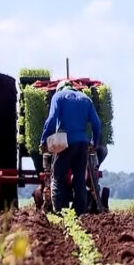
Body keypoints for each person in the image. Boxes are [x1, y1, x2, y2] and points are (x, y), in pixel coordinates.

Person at [39, 80, 102, 215]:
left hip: (65, 143)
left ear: (59, 89)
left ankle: (59, 213)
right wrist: (94, 143)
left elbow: (51, 120)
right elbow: (97, 124)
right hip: (83, 144)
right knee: (79, 179)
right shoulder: (86, 99)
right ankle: (80, 213)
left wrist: (44, 140)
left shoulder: (58, 97)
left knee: (57, 177)